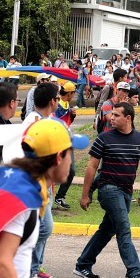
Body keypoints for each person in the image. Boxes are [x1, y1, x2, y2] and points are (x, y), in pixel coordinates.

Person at [0, 119, 88, 278]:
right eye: (70, 153)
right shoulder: (19, 197)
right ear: (59, 157)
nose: (71, 161)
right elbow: (2, 264)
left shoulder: (21, 183)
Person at [75, 103, 140, 278]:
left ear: (128, 118)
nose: (111, 117)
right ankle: (134, 272)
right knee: (123, 228)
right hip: (109, 189)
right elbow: (92, 167)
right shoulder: (104, 138)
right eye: (111, 114)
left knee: (107, 230)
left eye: (116, 115)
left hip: (126, 192)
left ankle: (83, 264)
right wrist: (85, 194)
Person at [21, 83, 61, 278]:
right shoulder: (34, 121)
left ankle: (31, 270)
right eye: (58, 97)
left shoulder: (46, 120)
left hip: (45, 184)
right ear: (52, 100)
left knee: (41, 228)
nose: (60, 100)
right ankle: (29, 272)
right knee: (43, 227)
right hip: (35, 185)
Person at [53, 82, 78, 210]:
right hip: (58, 142)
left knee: (71, 171)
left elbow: (67, 122)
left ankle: (60, 197)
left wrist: (72, 115)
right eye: (73, 93)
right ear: (70, 93)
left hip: (67, 141)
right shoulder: (57, 106)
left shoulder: (67, 105)